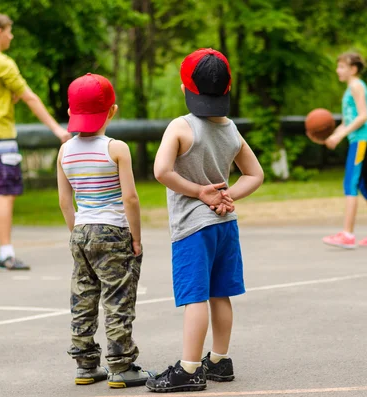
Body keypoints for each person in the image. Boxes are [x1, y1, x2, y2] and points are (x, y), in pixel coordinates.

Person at [146, 48, 263, 393]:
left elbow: (161, 171)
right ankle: (219, 360)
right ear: (227, 90)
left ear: (185, 89)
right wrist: (228, 196)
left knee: (195, 296)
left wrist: (200, 192)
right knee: (220, 294)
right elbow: (255, 175)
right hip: (226, 224)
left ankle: (189, 369)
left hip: (192, 228)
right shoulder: (230, 129)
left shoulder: (180, 127)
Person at [56, 73, 154, 388]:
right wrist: (135, 237)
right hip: (113, 231)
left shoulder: (64, 152)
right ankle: (121, 365)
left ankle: (85, 365)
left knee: (83, 297)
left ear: (71, 113)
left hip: (81, 230)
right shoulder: (116, 149)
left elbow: (64, 202)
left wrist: (77, 233)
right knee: (118, 298)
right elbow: (130, 198)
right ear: (112, 110)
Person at [0, 12, 71, 270]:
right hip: (1, 137)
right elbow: (30, 97)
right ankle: (7, 254)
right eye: (9, 31)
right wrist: (57, 129)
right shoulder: (3, 62)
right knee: (6, 194)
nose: (11, 35)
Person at [320, 52, 367, 249]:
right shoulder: (351, 88)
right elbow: (347, 121)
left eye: (342, 67)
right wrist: (334, 134)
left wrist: (340, 136)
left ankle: (347, 235)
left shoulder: (356, 86)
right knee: (366, 186)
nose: (337, 70)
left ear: (353, 69)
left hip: (362, 140)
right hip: (363, 139)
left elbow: (363, 117)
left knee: (350, 183)